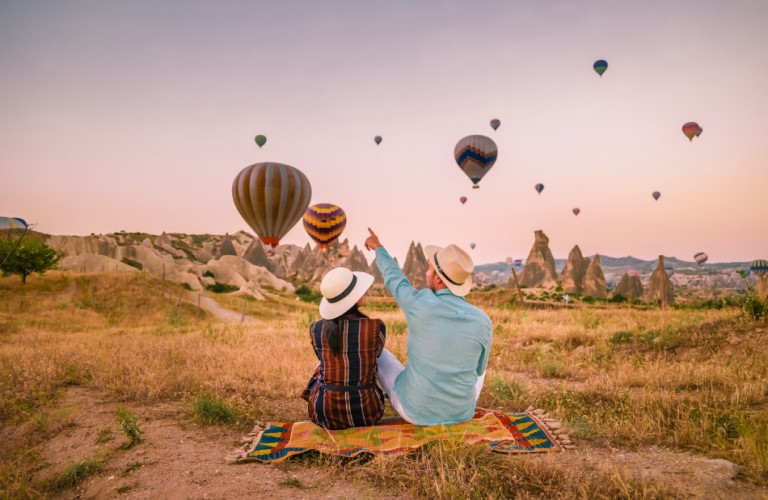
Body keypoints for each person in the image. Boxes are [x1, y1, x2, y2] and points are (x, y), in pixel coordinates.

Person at [364, 228, 492, 426]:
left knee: (380, 354)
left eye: (430, 268)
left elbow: (394, 278)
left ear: (439, 278)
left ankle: (371, 398)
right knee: (480, 367)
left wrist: (378, 247)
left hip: (415, 412)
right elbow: (478, 370)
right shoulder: (483, 320)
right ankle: (452, 404)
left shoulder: (419, 303)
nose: (426, 272)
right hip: (462, 413)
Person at [300, 267, 386, 429]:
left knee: (322, 367)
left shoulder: (316, 329)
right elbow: (376, 356)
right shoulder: (376, 327)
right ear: (353, 298)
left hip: (325, 413)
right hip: (367, 412)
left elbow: (321, 359)